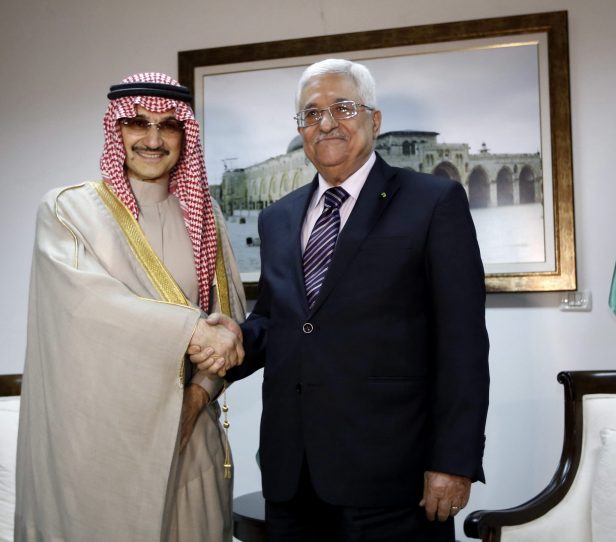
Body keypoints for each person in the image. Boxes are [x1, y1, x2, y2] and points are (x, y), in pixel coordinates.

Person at [202, 58, 490, 541]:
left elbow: (463, 343)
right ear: (300, 129)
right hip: (293, 478)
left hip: (394, 478)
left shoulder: (433, 202)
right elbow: (278, 322)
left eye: (343, 108)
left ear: (374, 120)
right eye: (311, 114)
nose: (327, 123)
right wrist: (233, 340)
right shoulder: (278, 218)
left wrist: (453, 460)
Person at [15, 72, 246, 541]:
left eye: (168, 126)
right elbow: (86, 310)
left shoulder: (208, 216)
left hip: (191, 437)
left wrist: (196, 398)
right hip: (102, 443)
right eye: (137, 123)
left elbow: (229, 321)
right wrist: (192, 330)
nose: (153, 140)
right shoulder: (69, 210)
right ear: (115, 129)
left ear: (184, 134)